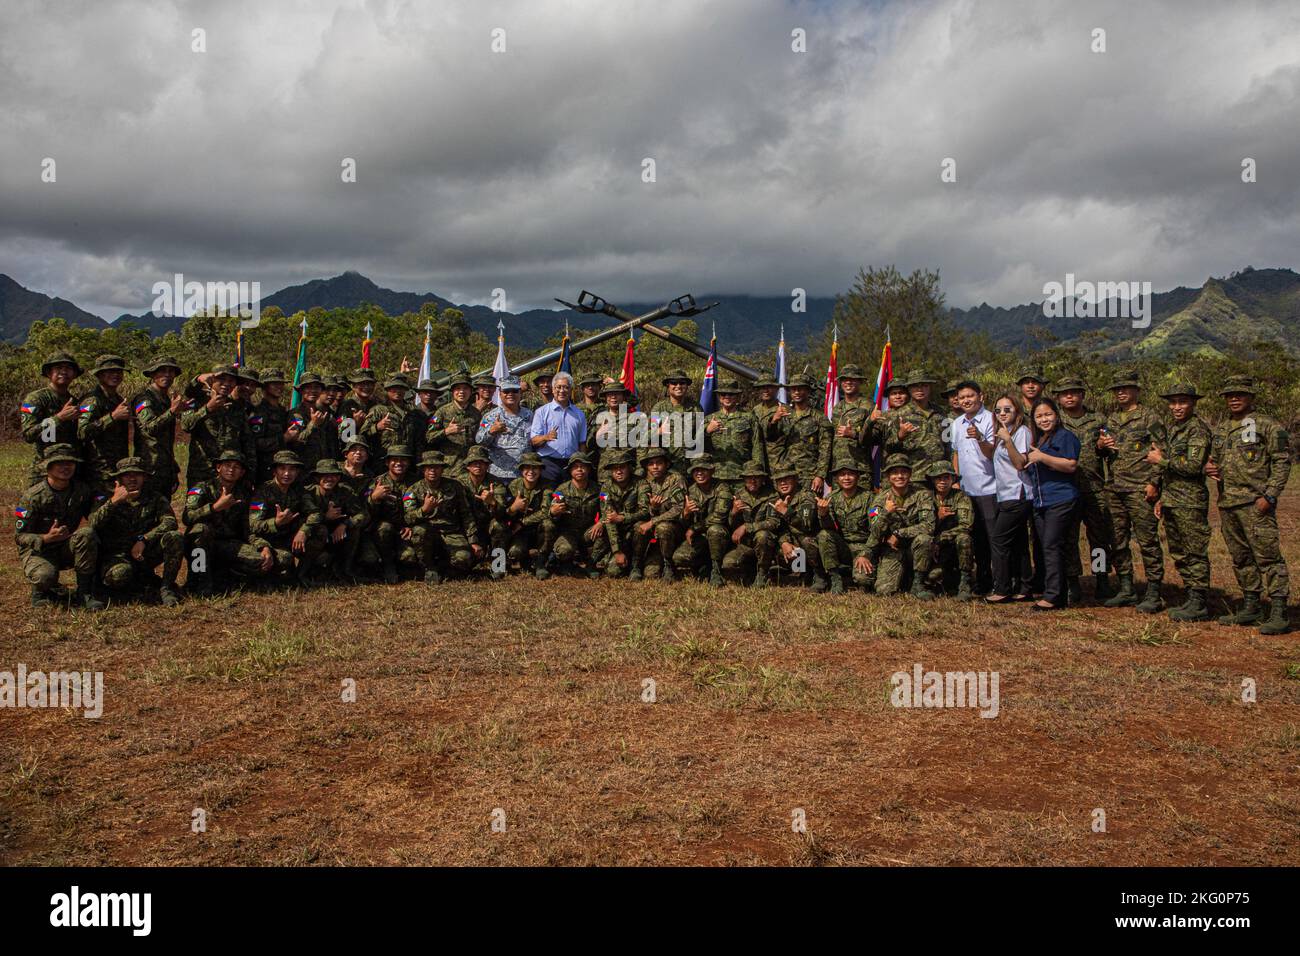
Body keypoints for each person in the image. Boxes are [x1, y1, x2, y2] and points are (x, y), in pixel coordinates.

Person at [1207, 376, 1290, 634]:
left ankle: (1279, 611)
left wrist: (1271, 495)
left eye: (1240, 394)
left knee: (1268, 558)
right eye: (1230, 395)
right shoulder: (1221, 429)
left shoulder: (1268, 426)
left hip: (1255, 503)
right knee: (1241, 558)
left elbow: (1282, 461)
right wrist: (1211, 466)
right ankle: (1251, 605)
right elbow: (1217, 459)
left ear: (1251, 397)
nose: (1234, 399)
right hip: (1228, 503)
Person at [1098, 370, 1166, 612]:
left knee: (1147, 541)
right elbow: (1105, 451)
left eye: (1126, 388)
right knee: (1117, 540)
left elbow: (1161, 451)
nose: (1121, 392)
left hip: (1140, 488)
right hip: (1115, 487)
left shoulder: (1150, 417)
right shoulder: (1112, 419)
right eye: (1117, 389)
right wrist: (1100, 446)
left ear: (1136, 390)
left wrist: (1155, 483)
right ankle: (1126, 587)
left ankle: (1154, 591)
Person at [14, 444, 102, 609]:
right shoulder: (31, 497)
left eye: (70, 463)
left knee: (86, 534)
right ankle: (40, 592)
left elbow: (95, 514)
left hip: (65, 546)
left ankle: (84, 594)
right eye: (59, 463)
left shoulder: (82, 491)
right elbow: (19, 537)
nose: (66, 467)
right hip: (39, 551)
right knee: (44, 576)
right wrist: (45, 538)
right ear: (48, 467)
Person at [1151, 384, 1212, 621]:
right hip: (1174, 499)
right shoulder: (1176, 428)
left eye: (1182, 402)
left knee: (1194, 551)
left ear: (1193, 403)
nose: (1176, 407)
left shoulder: (1196, 430)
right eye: (1173, 402)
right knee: (1179, 551)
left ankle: (1199, 601)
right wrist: (1163, 497)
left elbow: (1194, 467)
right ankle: (1191, 596)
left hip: (1190, 501)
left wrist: (1161, 460)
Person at [89, 456, 184, 606]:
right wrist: (114, 502)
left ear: (145, 477)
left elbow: (170, 521)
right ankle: (136, 583)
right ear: (119, 478)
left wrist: (144, 539)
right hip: (117, 556)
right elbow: (93, 524)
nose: (132, 479)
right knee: (120, 575)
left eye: (137, 474)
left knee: (174, 537)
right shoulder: (106, 498)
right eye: (127, 475)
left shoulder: (155, 498)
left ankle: (166, 588)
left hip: (144, 552)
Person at [1052, 377, 1115, 602]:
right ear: (1058, 398)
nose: (1069, 396)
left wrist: (1101, 447)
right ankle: (1072, 583)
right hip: (1065, 488)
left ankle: (1101, 578)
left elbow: (1110, 451)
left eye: (1074, 392)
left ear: (1082, 395)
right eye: (1064, 393)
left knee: (1098, 538)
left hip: (1094, 488)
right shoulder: (1054, 421)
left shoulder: (1098, 419)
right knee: (1068, 538)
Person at [182, 449, 271, 595]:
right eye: (227, 465)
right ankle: (198, 579)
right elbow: (187, 517)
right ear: (218, 467)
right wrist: (215, 507)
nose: (231, 469)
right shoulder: (202, 488)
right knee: (201, 529)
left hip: (227, 544)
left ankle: (224, 575)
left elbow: (247, 526)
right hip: (199, 545)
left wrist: (263, 546)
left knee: (261, 562)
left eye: (236, 467)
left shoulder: (243, 493)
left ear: (242, 472)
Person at [1025, 397, 1080, 610]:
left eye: (1048, 414)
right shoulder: (1040, 440)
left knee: (1051, 545)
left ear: (1057, 415)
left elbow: (1070, 465)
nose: (1044, 419)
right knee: (1048, 546)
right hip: (1041, 502)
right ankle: (1058, 591)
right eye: (1039, 416)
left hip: (1060, 498)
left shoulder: (1065, 437)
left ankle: (1053, 596)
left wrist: (1041, 457)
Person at [247, 449, 320, 589]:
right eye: (282, 468)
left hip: (289, 537)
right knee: (284, 559)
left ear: (297, 472)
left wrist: (303, 531)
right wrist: (275, 523)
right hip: (266, 539)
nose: (287, 473)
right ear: (274, 471)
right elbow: (253, 525)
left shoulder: (298, 489)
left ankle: (301, 574)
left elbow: (315, 513)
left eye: (292, 469)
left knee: (319, 531)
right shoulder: (262, 492)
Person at [865, 455, 935, 599]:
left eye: (904, 472)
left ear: (910, 474)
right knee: (884, 590)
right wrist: (885, 512)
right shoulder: (879, 500)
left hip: (916, 549)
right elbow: (874, 530)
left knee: (924, 539)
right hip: (893, 551)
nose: (900, 476)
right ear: (888, 476)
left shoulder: (923, 495)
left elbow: (928, 526)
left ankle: (918, 584)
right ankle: (905, 578)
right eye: (895, 472)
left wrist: (898, 533)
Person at [985, 395, 1033, 603]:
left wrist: (1008, 440)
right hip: (1005, 494)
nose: (1002, 413)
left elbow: (1020, 463)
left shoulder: (1021, 432)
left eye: (1007, 409)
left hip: (1018, 494)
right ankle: (1024, 587)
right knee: (1019, 542)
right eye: (998, 410)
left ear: (1017, 412)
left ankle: (1002, 588)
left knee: (998, 539)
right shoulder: (1004, 433)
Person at [952, 379, 998, 595]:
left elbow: (992, 452)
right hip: (966, 490)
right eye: (962, 398)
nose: (966, 400)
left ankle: (1002, 581)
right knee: (976, 538)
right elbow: (956, 453)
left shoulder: (991, 419)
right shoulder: (956, 423)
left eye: (970, 396)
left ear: (981, 396)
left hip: (990, 488)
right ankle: (983, 581)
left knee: (994, 538)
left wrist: (979, 437)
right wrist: (956, 480)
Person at [184, 364, 258, 489]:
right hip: (202, 470)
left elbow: (247, 443)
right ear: (212, 380)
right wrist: (207, 409)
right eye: (221, 379)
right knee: (196, 507)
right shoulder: (197, 401)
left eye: (231, 381)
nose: (226, 384)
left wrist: (249, 473)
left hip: (230, 473)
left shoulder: (237, 408)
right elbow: (186, 425)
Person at [21, 351, 85, 486]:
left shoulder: (76, 401)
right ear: (49, 373)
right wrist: (59, 418)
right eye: (59, 368)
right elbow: (28, 434)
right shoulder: (36, 398)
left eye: (68, 369)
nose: (64, 372)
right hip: (44, 469)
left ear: (74, 374)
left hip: (71, 470)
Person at [302, 459, 369, 585]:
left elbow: (363, 514)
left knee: (354, 529)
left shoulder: (344, 491)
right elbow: (309, 516)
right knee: (321, 532)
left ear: (339, 477)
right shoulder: (308, 492)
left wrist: (345, 524)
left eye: (333, 475)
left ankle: (346, 570)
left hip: (335, 536)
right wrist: (326, 517)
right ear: (317, 478)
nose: (329, 479)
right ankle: (303, 573)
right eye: (324, 475)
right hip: (310, 536)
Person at [765, 373, 832, 495]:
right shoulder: (784, 416)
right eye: (793, 389)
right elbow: (771, 438)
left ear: (807, 391)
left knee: (808, 510)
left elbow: (825, 449)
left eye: (800, 388)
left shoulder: (819, 418)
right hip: (786, 474)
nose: (796, 392)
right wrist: (774, 421)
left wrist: (820, 475)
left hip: (809, 475)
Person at [542, 451, 606, 578]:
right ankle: (564, 562)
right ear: (570, 471)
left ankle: (591, 563)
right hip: (568, 532)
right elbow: (552, 512)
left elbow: (607, 510)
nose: (579, 470)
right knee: (564, 550)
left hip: (589, 531)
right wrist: (553, 512)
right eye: (575, 467)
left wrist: (601, 522)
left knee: (607, 531)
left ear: (588, 469)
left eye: (583, 466)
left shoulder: (600, 490)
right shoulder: (561, 490)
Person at [817, 457, 875, 595]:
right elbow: (829, 528)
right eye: (842, 475)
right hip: (843, 546)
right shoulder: (831, 498)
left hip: (863, 546)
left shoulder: (870, 498)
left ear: (858, 476)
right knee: (824, 535)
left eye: (850, 474)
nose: (846, 478)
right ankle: (835, 578)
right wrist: (823, 514)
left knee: (864, 581)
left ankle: (852, 571)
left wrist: (866, 553)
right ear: (837, 479)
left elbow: (876, 529)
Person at [76, 354, 132, 494]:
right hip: (97, 470)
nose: (115, 375)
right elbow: (82, 432)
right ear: (99, 375)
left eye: (118, 372)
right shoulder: (92, 400)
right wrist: (112, 417)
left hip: (117, 467)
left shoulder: (118, 400)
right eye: (109, 371)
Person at [132, 356, 186, 498]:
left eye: (170, 371)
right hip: (149, 468)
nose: (167, 375)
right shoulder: (144, 399)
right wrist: (173, 411)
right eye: (161, 371)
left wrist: (172, 468)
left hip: (164, 467)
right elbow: (149, 428)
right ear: (152, 374)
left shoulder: (166, 399)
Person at [674, 458, 733, 587]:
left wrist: (695, 528)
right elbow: (682, 522)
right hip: (700, 537)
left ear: (711, 471)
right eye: (696, 470)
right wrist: (686, 513)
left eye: (703, 470)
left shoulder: (722, 488)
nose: (699, 473)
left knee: (715, 530)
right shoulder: (690, 491)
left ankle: (716, 571)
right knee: (679, 558)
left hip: (721, 536)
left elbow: (720, 516)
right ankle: (704, 565)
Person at [769, 464, 825, 590]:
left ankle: (819, 574)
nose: (783, 483)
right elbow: (775, 526)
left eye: (787, 479)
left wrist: (786, 512)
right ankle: (801, 572)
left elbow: (807, 525)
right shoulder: (775, 499)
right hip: (790, 541)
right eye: (779, 480)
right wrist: (784, 542)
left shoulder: (806, 496)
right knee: (767, 539)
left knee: (807, 542)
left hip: (810, 541)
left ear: (795, 479)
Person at [364, 445, 415, 584]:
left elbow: (422, 509)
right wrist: (374, 498)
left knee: (409, 557)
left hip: (407, 530)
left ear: (409, 463)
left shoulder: (416, 482)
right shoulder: (377, 482)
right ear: (387, 463)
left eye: (403, 460)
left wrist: (411, 525)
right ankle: (388, 565)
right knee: (384, 529)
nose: (399, 463)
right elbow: (365, 512)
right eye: (394, 460)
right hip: (383, 532)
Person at [723, 462, 779, 587]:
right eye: (749, 477)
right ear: (744, 479)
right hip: (745, 543)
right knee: (729, 564)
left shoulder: (772, 495)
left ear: (763, 479)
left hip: (766, 544)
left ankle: (763, 573)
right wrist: (733, 512)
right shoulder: (738, 495)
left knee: (762, 535)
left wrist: (747, 527)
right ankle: (750, 569)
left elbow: (774, 522)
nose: (753, 481)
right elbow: (729, 525)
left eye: (757, 477)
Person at [635, 449, 686, 582]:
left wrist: (653, 521)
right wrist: (654, 508)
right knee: (650, 574)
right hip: (657, 534)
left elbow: (678, 509)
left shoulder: (676, 479)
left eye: (659, 463)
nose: (655, 466)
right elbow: (645, 511)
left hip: (675, 530)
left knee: (663, 527)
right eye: (651, 464)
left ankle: (669, 566)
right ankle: (636, 564)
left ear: (667, 464)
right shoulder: (646, 483)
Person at [926, 460, 974, 600]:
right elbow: (919, 524)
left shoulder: (961, 497)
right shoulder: (926, 497)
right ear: (933, 480)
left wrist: (941, 538)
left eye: (946, 477)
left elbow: (966, 525)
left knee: (964, 538)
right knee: (933, 576)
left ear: (953, 479)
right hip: (932, 549)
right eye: (938, 478)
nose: (942, 481)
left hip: (953, 547)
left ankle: (965, 584)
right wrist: (938, 518)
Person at [459, 445, 509, 577]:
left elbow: (503, 513)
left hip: (488, 525)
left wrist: (492, 502)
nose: (478, 466)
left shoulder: (495, 483)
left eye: (482, 463)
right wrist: (472, 540)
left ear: (487, 466)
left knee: (499, 525)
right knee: (463, 562)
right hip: (466, 527)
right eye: (473, 463)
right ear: (468, 466)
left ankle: (498, 565)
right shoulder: (458, 483)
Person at [598, 448, 649, 579]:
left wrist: (622, 518)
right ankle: (607, 556)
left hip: (634, 531)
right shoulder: (605, 487)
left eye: (622, 467)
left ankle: (636, 565)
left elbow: (645, 512)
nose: (619, 471)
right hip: (617, 534)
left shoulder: (641, 483)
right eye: (615, 468)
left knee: (640, 526)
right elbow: (609, 518)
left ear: (630, 468)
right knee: (613, 572)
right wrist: (617, 551)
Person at [528, 371, 586, 483]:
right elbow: (534, 440)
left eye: (566, 387)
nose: (562, 391)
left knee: (568, 498)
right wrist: (546, 437)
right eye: (558, 387)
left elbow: (581, 443)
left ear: (570, 390)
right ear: (553, 389)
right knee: (549, 497)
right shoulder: (541, 412)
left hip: (571, 464)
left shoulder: (579, 414)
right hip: (548, 464)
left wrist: (581, 464)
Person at [504, 451, 553, 577]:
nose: (531, 471)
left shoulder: (548, 485)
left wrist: (523, 522)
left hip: (538, 529)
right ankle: (522, 560)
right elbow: (504, 513)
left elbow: (545, 512)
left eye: (535, 468)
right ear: (521, 470)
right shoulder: (513, 486)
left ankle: (540, 563)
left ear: (541, 470)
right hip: (519, 532)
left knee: (548, 524)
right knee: (515, 552)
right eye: (527, 468)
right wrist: (514, 508)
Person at [476, 375, 533, 481]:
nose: (510, 394)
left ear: (520, 392)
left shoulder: (530, 415)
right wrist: (491, 431)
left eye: (514, 391)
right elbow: (479, 441)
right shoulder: (490, 416)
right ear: (500, 393)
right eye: (506, 391)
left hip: (524, 474)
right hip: (497, 474)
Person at [425, 369, 482, 475]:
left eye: (465, 388)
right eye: (458, 388)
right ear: (452, 392)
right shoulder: (441, 412)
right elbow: (429, 437)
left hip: (470, 468)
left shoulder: (477, 414)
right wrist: (446, 431)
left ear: (471, 392)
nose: (461, 392)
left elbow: (481, 435)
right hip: (449, 468)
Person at [703, 379, 760, 478]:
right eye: (723, 394)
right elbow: (696, 446)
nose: (727, 397)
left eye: (731, 394)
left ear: (737, 396)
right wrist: (707, 430)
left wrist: (757, 473)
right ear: (719, 397)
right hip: (716, 476)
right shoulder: (709, 419)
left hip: (742, 475)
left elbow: (757, 447)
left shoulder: (749, 418)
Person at [286, 373, 340, 475]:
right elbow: (296, 441)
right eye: (308, 387)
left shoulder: (324, 413)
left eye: (316, 388)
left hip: (323, 470)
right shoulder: (295, 414)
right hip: (303, 470)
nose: (313, 391)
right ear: (301, 390)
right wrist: (313, 424)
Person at [829, 364, 875, 471]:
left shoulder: (869, 406)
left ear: (860, 382)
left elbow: (877, 437)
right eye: (845, 379)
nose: (848, 382)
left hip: (860, 468)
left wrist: (853, 434)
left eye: (853, 379)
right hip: (838, 468)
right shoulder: (837, 408)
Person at [250, 368, 291, 484]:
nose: (279, 387)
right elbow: (255, 443)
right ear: (264, 386)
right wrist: (284, 438)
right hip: (265, 469)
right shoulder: (258, 412)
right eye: (274, 384)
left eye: (281, 383)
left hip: (285, 469)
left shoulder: (283, 411)